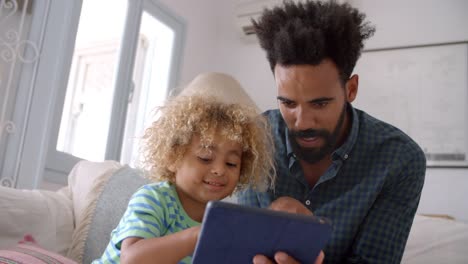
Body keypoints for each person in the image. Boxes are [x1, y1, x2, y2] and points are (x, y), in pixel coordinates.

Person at [237, 1, 426, 263]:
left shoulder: (400, 159)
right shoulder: (252, 138)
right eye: (288, 103)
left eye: (320, 103)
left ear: (351, 89)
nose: (302, 123)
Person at [93, 81, 276, 263]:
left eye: (231, 163)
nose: (220, 170)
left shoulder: (220, 221)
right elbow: (132, 259)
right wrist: (198, 235)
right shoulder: (155, 198)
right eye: (205, 158)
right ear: (173, 158)